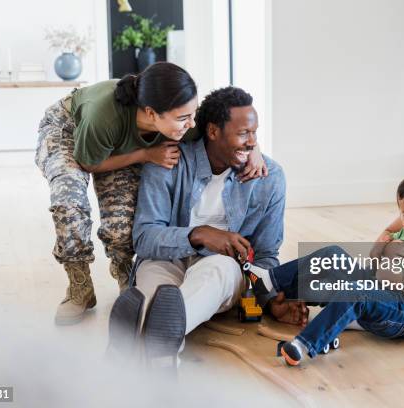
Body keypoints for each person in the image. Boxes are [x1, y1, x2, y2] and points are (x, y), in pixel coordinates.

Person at [35, 62, 267, 325]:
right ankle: (80, 286)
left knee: (122, 225)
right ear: (151, 113)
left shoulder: (183, 117)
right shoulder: (103, 115)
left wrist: (254, 149)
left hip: (123, 143)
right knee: (69, 203)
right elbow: (89, 162)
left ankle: (127, 277)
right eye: (184, 119)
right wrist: (145, 154)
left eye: (192, 115)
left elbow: (227, 126)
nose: (192, 124)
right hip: (71, 130)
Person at [109, 86, 306, 364]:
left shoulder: (268, 176)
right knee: (153, 298)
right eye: (242, 133)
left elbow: (265, 254)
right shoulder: (166, 161)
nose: (252, 142)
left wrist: (270, 299)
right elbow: (144, 237)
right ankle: (162, 363)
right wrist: (198, 234)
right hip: (165, 258)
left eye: (254, 133)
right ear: (213, 132)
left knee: (217, 273)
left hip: (220, 266)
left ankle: (137, 342)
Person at [246, 145, 404, 350]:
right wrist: (386, 254)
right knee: (333, 258)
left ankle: (364, 315)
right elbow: (387, 236)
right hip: (388, 280)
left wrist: (400, 279)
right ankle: (270, 291)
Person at [277, 173, 404, 365]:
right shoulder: (402, 234)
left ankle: (303, 345)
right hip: (379, 289)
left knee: (356, 293)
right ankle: (271, 283)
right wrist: (384, 247)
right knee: (332, 256)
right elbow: (374, 261)